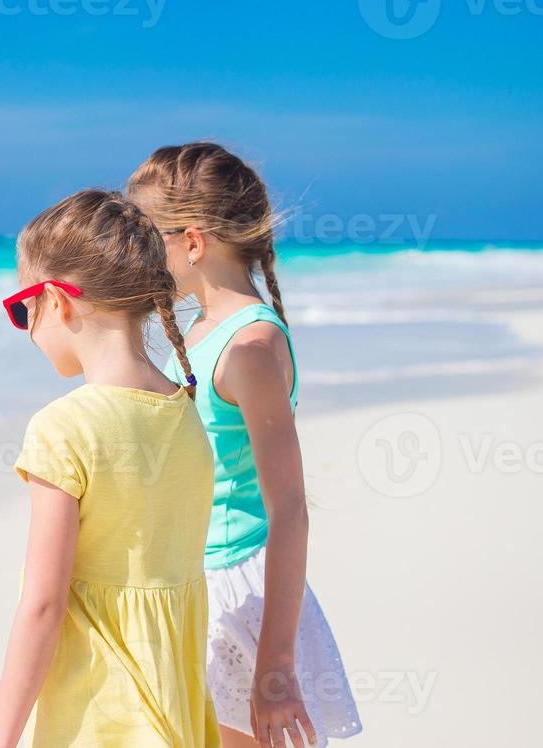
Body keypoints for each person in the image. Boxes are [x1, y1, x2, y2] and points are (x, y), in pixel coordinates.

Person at [128, 143, 362, 748]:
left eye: (146, 236)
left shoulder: (249, 349)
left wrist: (277, 663)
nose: (136, 254)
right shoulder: (202, 332)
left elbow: (289, 509)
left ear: (194, 242)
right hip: (192, 578)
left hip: (240, 590)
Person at [0, 189, 220, 748]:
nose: (25, 327)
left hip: (100, 720)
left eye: (22, 310)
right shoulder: (184, 417)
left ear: (58, 302)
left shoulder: (64, 428)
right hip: (175, 709)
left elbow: (43, 604)